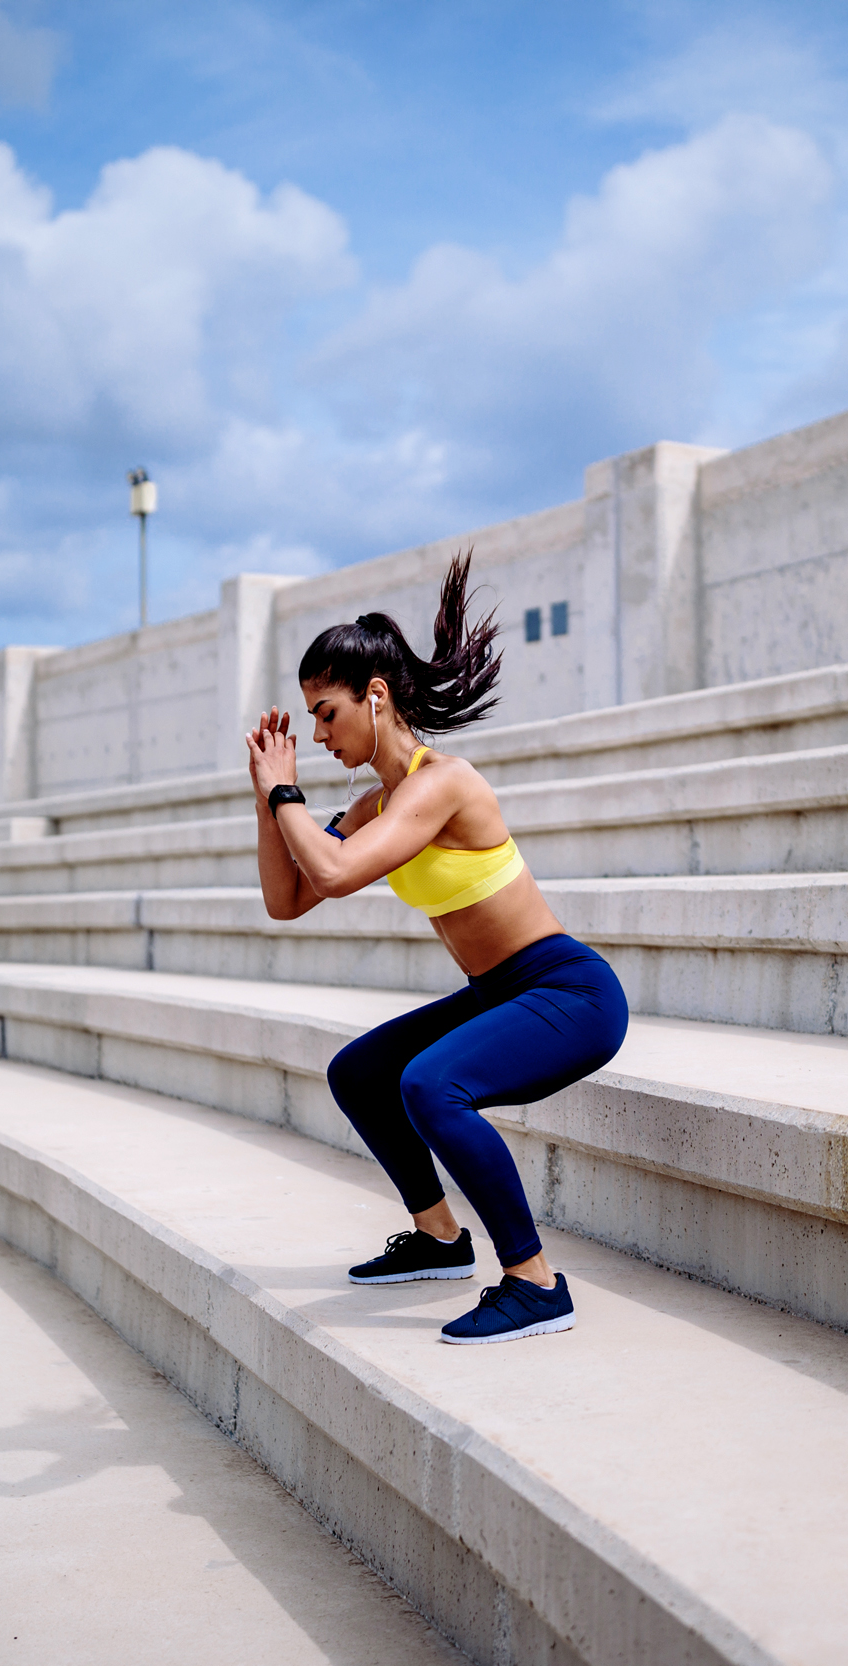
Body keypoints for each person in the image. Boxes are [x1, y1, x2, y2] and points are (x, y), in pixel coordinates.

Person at [244, 553, 628, 1344]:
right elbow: (288, 899)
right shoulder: (373, 803)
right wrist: (266, 801)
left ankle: (534, 1281)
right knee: (362, 1071)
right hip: (497, 991)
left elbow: (338, 872)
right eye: (310, 718)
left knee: (430, 1082)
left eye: (327, 714)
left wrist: (288, 795)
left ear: (375, 698)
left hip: (566, 992)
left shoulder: (440, 783)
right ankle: (441, 1239)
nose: (317, 734)